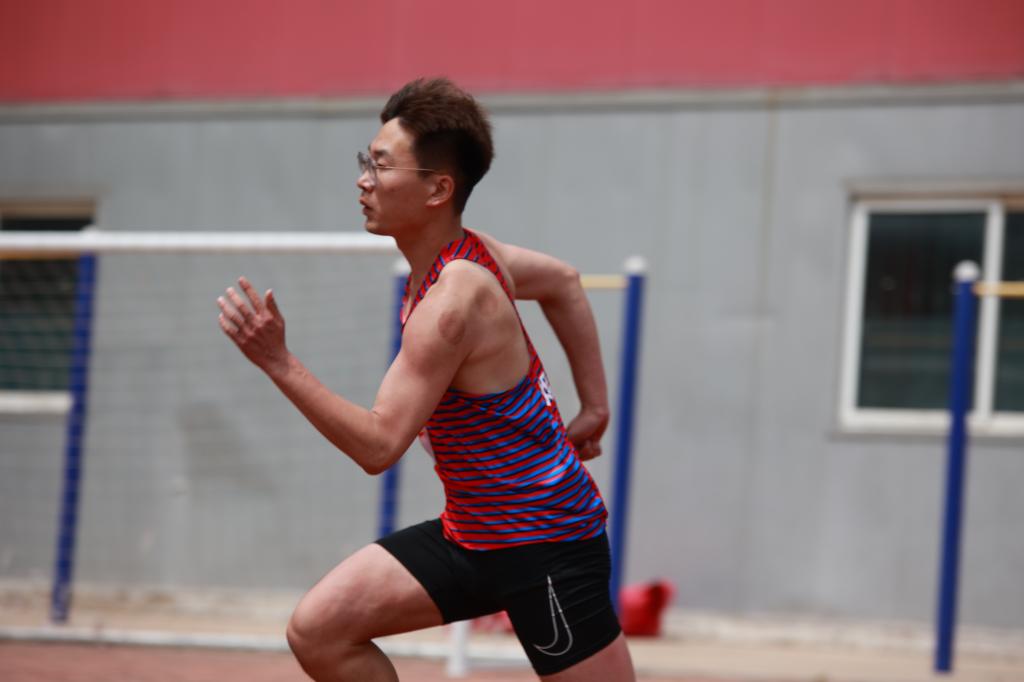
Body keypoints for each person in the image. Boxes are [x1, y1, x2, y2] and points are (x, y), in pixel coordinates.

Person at [217, 77, 635, 682]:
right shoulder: (474, 252)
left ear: (439, 188)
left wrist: (278, 361)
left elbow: (378, 446)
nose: (363, 180)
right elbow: (564, 282)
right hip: (472, 534)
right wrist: (594, 406)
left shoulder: (452, 305)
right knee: (319, 630)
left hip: (545, 544)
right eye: (365, 161)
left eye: (381, 165)